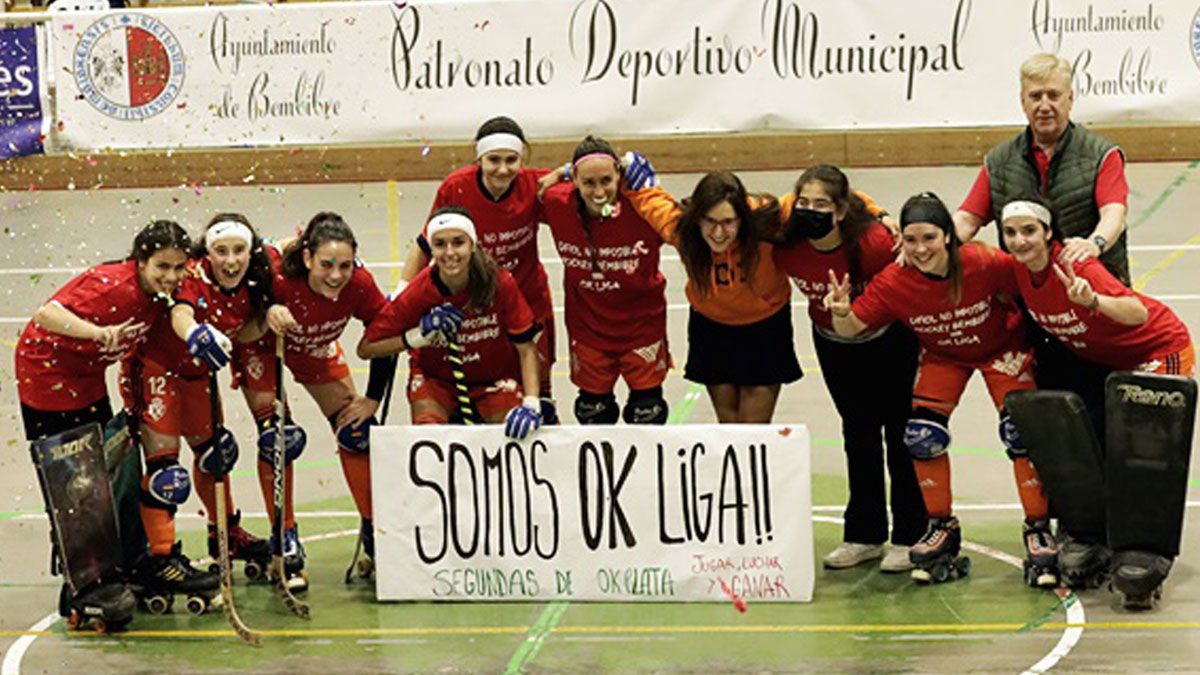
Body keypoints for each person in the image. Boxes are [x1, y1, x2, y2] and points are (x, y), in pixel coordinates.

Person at [825, 193, 1057, 586]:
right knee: (921, 436)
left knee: (1021, 433)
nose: (920, 249)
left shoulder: (983, 262)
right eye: (911, 240)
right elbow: (851, 329)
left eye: (929, 238)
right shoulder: (894, 282)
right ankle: (941, 525)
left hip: (1003, 351)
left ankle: (1037, 527)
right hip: (944, 357)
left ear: (949, 236)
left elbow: (1032, 283)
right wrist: (841, 312)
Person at [15, 220, 191, 617]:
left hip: (89, 376)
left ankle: (125, 561)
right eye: (162, 267)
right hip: (47, 374)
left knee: (110, 467)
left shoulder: (161, 294)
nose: (171, 277)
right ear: (141, 261)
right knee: (73, 480)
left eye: (178, 268)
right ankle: (83, 580)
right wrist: (97, 332)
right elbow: (47, 314)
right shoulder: (113, 284)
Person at [955, 52, 1130, 437]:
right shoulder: (999, 161)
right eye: (1035, 96)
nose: (1045, 105)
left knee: (1101, 419)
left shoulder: (1102, 154)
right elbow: (968, 218)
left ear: (1071, 98)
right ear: (1022, 101)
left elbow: (1114, 211)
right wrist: (930, 241)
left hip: (1096, 311)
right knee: (1054, 427)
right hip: (1037, 315)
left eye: (1053, 94)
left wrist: (1095, 243)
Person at [772, 165, 925, 573]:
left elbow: (909, 279)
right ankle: (864, 534)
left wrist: (885, 219)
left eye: (821, 204)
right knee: (857, 434)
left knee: (898, 433)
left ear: (840, 211)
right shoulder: (787, 244)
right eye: (803, 202)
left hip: (889, 342)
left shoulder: (874, 243)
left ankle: (911, 535)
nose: (810, 210)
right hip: (834, 346)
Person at [233, 212, 393, 590]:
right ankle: (284, 535)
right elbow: (241, 330)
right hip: (262, 348)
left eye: (344, 265)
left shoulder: (360, 285)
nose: (336, 275)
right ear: (307, 259)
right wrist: (266, 313)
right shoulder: (276, 276)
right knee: (278, 439)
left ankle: (374, 528)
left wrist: (372, 398)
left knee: (356, 430)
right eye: (326, 265)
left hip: (314, 346)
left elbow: (386, 333)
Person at [120, 214, 275, 590]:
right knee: (165, 475)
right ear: (206, 254)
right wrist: (195, 334)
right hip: (157, 369)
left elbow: (286, 250)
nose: (231, 261)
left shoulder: (256, 272)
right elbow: (180, 313)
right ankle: (160, 559)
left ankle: (225, 532)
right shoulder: (192, 276)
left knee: (215, 454)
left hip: (196, 376)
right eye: (221, 252)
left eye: (239, 251)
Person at [399, 117, 557, 410]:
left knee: (539, 397)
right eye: (493, 159)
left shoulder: (536, 185)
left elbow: (589, 185)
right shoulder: (456, 187)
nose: (503, 169)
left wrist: (567, 171)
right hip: (479, 305)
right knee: (485, 388)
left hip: (528, 299)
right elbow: (424, 244)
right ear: (479, 158)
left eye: (512, 160)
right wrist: (402, 293)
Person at [620, 164, 800, 422]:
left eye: (728, 222)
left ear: (743, 218)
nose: (718, 233)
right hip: (712, 330)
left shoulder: (768, 220)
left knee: (753, 429)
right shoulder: (682, 230)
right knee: (729, 426)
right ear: (697, 218)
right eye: (710, 221)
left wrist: (878, 213)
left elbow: (822, 192)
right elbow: (646, 195)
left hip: (765, 329)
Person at [360, 207, 544, 439]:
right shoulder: (419, 291)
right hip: (435, 379)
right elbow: (367, 348)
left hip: (493, 379)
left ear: (473, 244)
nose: (449, 253)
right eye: (439, 244)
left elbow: (526, 347)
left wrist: (531, 403)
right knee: (429, 438)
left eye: (458, 242)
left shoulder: (499, 282)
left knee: (516, 437)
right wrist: (419, 335)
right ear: (431, 248)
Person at [540, 136, 671, 424]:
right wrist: (560, 170)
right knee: (593, 414)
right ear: (574, 179)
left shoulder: (643, 205)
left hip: (642, 328)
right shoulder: (556, 202)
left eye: (606, 181)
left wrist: (654, 187)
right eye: (588, 183)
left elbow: (682, 226)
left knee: (647, 414)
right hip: (589, 330)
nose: (599, 191)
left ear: (619, 176)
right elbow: (512, 182)